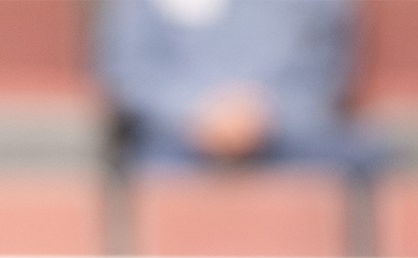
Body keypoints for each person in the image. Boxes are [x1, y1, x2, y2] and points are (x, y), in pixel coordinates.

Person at [100, 0, 385, 174]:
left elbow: (326, 70)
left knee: (363, 159)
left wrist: (261, 115)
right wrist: (200, 114)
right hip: (177, 145)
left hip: (291, 139)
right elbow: (129, 71)